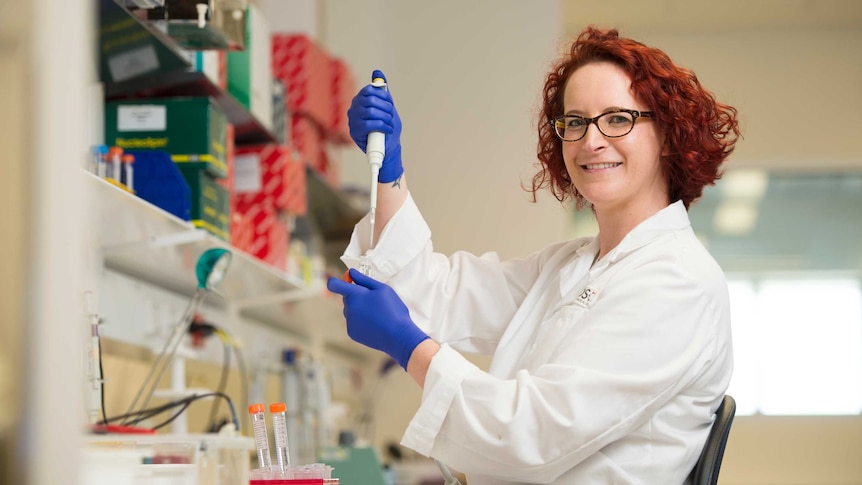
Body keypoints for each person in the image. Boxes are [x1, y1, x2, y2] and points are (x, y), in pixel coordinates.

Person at [327, 26, 740, 484]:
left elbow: (530, 435)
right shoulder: (572, 265)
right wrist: (389, 172)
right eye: (576, 122)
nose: (591, 140)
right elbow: (435, 294)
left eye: (618, 119)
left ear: (668, 133)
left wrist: (407, 346)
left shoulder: (677, 282)